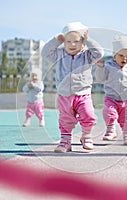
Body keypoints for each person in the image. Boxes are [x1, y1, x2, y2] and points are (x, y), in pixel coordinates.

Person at [42, 22, 104, 153]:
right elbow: (45, 53)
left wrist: (89, 40)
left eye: (76, 41)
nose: (72, 44)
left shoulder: (87, 55)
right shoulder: (59, 55)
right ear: (63, 42)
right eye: (68, 41)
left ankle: (86, 136)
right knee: (65, 119)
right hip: (64, 95)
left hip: (83, 94)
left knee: (88, 115)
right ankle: (65, 142)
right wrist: (55, 41)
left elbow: (99, 53)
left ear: (83, 42)